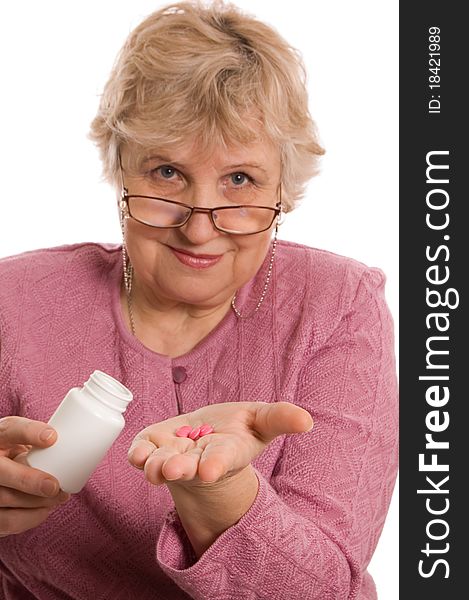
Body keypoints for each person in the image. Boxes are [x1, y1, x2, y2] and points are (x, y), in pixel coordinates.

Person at [0, 1, 398, 598]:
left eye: (239, 180)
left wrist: (219, 491)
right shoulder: (15, 300)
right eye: (167, 173)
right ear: (121, 171)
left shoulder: (339, 305)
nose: (199, 226)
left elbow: (322, 589)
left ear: (283, 190)